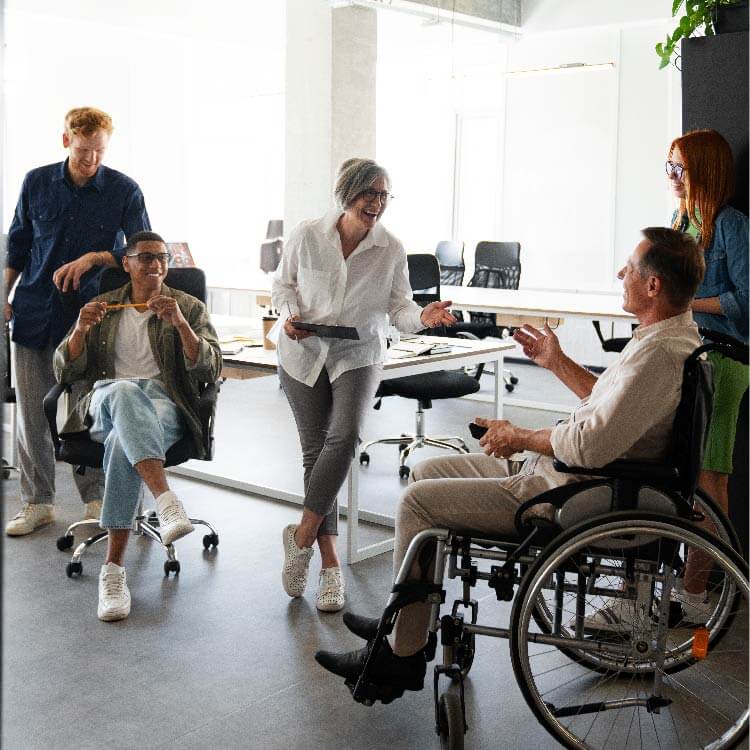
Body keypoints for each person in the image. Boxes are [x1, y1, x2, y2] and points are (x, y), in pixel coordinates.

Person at [314, 226, 705, 692]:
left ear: (653, 285)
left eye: (630, 267)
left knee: (417, 502)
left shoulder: (657, 356)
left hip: (566, 489)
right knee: (423, 470)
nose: (621, 273)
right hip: (564, 474)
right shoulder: (664, 339)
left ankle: (402, 654)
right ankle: (407, 624)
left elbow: (591, 445)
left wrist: (518, 435)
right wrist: (555, 361)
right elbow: (607, 405)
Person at [272, 158, 456, 613]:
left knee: (346, 436)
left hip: (358, 351)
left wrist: (422, 317)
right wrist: (288, 317)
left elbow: (399, 309)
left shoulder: (390, 248)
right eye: (368, 193)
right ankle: (330, 565)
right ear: (347, 193)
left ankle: (300, 538)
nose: (376, 203)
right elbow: (282, 286)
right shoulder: (307, 235)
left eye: (383, 195)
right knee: (316, 453)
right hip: (303, 351)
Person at [53, 231, 221, 621]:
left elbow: (210, 367)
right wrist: (80, 330)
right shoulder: (102, 306)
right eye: (145, 257)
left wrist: (181, 325)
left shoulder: (188, 307)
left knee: (119, 445)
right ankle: (166, 499)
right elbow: (64, 368)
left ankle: (113, 573)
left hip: (164, 406)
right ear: (126, 263)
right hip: (104, 402)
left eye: (161, 258)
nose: (155, 265)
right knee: (125, 391)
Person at [4, 107, 151, 536]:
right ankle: (37, 503)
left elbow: (140, 251)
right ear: (66, 140)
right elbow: (18, 244)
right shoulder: (36, 182)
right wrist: (4, 295)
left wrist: (95, 257)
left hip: (91, 318)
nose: (90, 160)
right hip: (33, 310)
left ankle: (96, 499)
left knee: (87, 412)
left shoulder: (125, 190)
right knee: (33, 416)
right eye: (83, 150)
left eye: (98, 152)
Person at [666, 129, 749, 614]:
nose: (672, 177)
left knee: (710, 482)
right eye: (669, 167)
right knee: (688, 477)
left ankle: (696, 597)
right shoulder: (680, 221)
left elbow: (746, 301)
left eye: (681, 167)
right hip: (688, 357)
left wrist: (685, 301)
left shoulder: (732, 226)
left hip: (725, 359)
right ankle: (685, 587)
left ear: (707, 170)